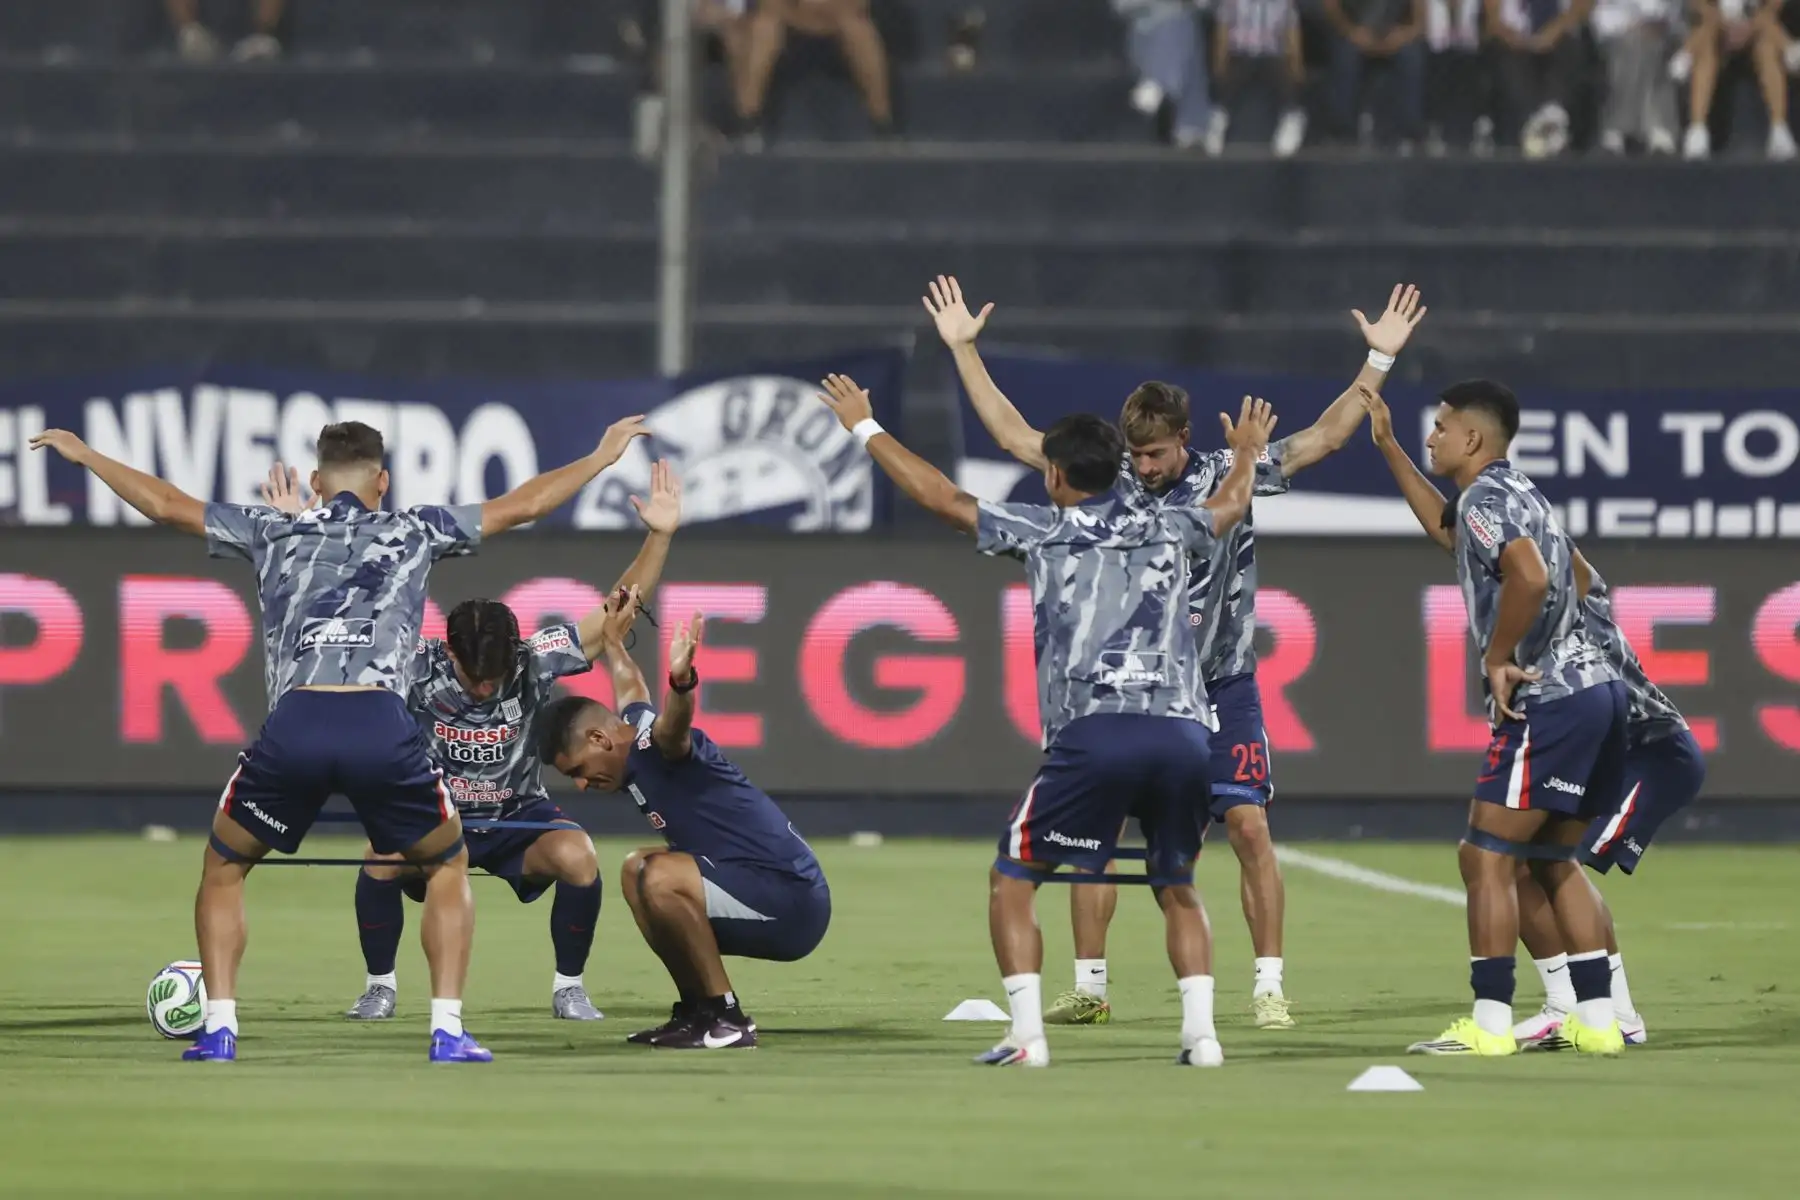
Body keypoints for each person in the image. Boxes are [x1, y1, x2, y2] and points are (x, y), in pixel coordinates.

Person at [30, 414, 648, 1062]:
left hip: (296, 723)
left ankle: (219, 1030)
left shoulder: (275, 528)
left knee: (224, 866)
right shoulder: (414, 530)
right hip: (379, 726)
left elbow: (163, 504)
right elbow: (523, 506)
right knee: (446, 863)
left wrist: (88, 455)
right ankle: (447, 1031)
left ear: (318, 481)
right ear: (382, 480)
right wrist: (600, 456)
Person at [927, 275, 1427, 1033]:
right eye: (1137, 454)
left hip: (1219, 682)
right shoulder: (1109, 481)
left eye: (1156, 453)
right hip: (1137, 693)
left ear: (1184, 442)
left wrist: (1378, 361)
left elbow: (1327, 435)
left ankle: (1267, 986)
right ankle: (1090, 986)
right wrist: (965, 351)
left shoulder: (1226, 474)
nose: (1146, 467)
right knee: (1096, 834)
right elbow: (1012, 434)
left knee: (1249, 827)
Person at [815, 371, 1277, 1068]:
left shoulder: (1045, 529)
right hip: (1186, 731)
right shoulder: (1173, 524)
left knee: (1013, 876)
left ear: (1056, 476)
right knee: (1175, 883)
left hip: (1095, 734)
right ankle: (1202, 1038)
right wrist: (1243, 452)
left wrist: (865, 426)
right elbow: (1233, 505)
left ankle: (1027, 1036)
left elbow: (941, 496)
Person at [260, 461, 681, 1024]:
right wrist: (300, 528)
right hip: (434, 814)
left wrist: (660, 533)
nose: (485, 687)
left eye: (494, 676)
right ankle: (379, 987)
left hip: (516, 815)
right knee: (379, 857)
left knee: (579, 857)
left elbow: (617, 608)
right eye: (474, 676)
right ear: (449, 651)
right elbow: (336, 610)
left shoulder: (533, 661)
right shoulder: (412, 666)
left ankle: (570, 988)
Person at [1359, 381, 1630, 1057]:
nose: (1432, 438)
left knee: (1484, 855)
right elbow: (1580, 577)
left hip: (1547, 700)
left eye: (1440, 428)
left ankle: (1489, 1024)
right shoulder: (1519, 493)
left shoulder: (1485, 498)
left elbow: (1531, 577)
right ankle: (1598, 1024)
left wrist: (1502, 654)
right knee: (1550, 858)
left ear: (1472, 439)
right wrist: (1388, 446)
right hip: (1595, 692)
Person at [537, 589, 831, 1051]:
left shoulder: (656, 746)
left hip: (790, 901)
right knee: (636, 871)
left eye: (577, 770)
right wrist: (614, 642)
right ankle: (697, 1010)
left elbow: (673, 729)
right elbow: (632, 687)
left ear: (599, 738)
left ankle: (728, 1017)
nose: (580, 784)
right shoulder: (630, 731)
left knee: (656, 873)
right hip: (749, 886)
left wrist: (682, 682)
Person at [1511, 559, 1707, 1048]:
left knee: (1551, 864)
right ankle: (1583, 1006)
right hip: (1615, 756)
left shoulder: (1580, 604)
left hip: (1653, 754)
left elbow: (1559, 561)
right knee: (1521, 862)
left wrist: (1530, 518)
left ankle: (1607, 1012)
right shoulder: (1549, 615)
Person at [1680, 0, 1798, 161]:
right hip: (1718, 31)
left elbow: (1774, 4)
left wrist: (1751, 26)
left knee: (1767, 48)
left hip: (1756, 30)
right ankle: (1697, 130)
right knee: (1706, 48)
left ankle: (1779, 130)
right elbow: (1696, 4)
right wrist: (1720, 22)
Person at [1486, 0, 1595, 158]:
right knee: (1506, 61)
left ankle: (1550, 118)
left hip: (1560, 37)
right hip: (1513, 41)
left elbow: (1581, 8)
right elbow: (1493, 21)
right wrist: (1516, 39)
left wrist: (1552, 33)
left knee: (1570, 49)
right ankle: (1530, 130)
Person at [1321, 0, 1428, 149]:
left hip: (1396, 34)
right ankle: (1342, 133)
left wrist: (1404, 35)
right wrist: (1350, 31)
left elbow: (1420, 21)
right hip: (1356, 32)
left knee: (1411, 56)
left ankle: (1411, 132)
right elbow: (1330, 6)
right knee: (1346, 55)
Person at [1208, 0, 1308, 157]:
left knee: (1283, 74)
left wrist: (1296, 62)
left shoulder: (1283, 3)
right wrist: (1220, 61)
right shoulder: (1232, 3)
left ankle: (1291, 118)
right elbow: (1223, 29)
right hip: (1241, 52)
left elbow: (1292, 31)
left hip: (1272, 54)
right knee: (1231, 76)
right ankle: (1218, 120)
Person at [1115, 0, 1216, 150]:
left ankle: (1162, 85)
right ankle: (1159, 82)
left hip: (1178, 24)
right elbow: (1121, 6)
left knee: (1181, 32)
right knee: (1177, 38)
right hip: (1143, 28)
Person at [1592, 0, 1682, 154]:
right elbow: (1601, 15)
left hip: (1664, 32)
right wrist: (1628, 27)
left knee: (1648, 44)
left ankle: (1617, 127)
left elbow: (1675, 11)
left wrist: (1659, 24)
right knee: (1634, 45)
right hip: (1615, 33)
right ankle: (1657, 126)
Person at [168, 0, 286, 61]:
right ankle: (191, 32)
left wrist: (264, 31)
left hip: (257, 38)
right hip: (198, 36)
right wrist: (189, 28)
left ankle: (262, 36)